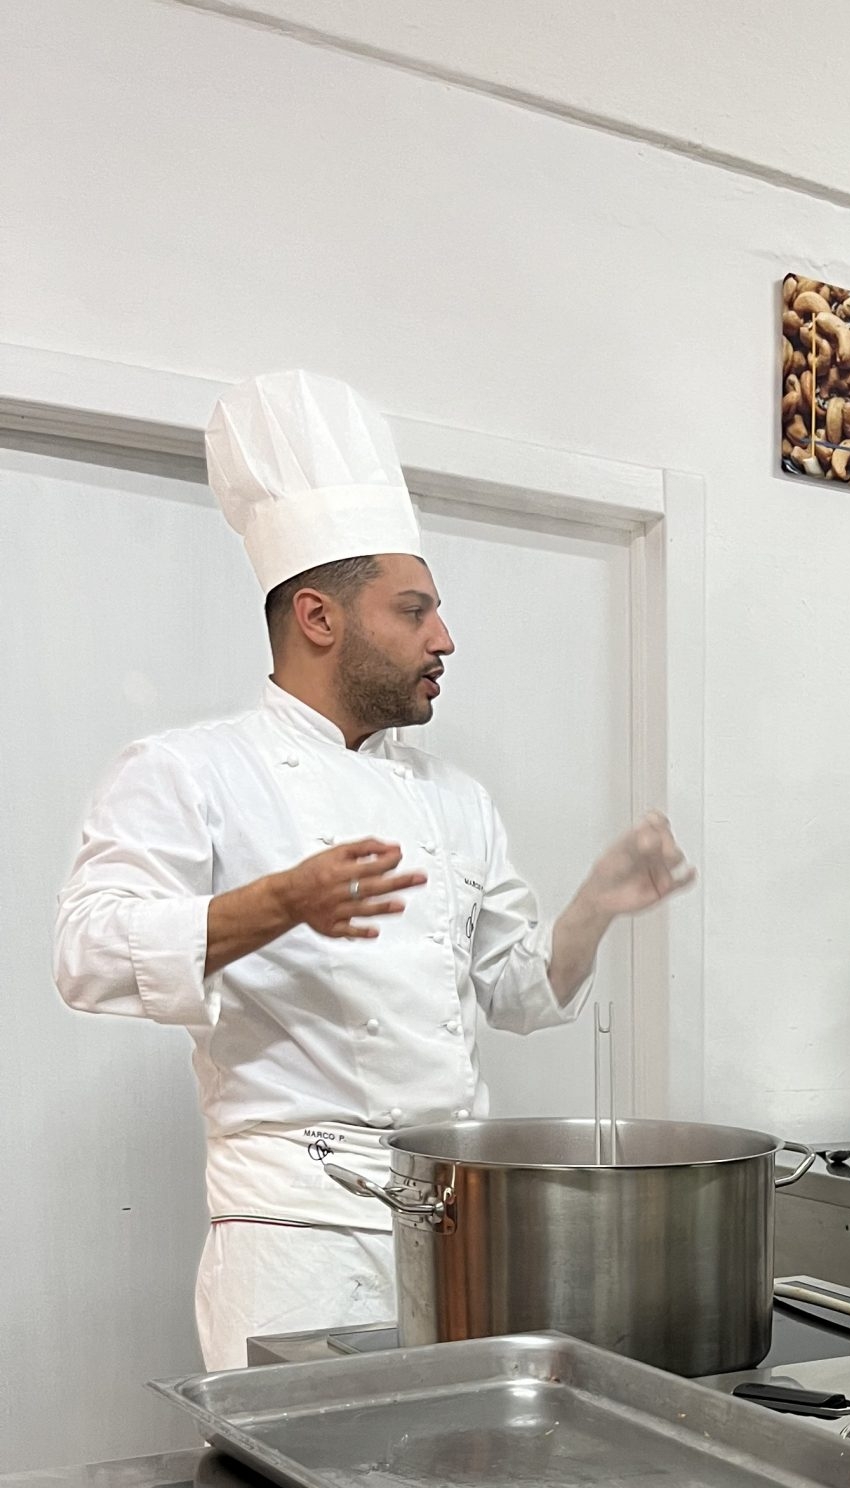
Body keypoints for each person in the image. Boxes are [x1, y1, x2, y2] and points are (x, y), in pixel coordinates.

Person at [54, 370, 694, 1368]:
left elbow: (518, 994)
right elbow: (86, 954)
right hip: (293, 1241)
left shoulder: (454, 800)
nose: (444, 639)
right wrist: (281, 901)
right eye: (414, 611)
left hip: (454, 1233)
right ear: (319, 617)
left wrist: (595, 908)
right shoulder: (190, 771)